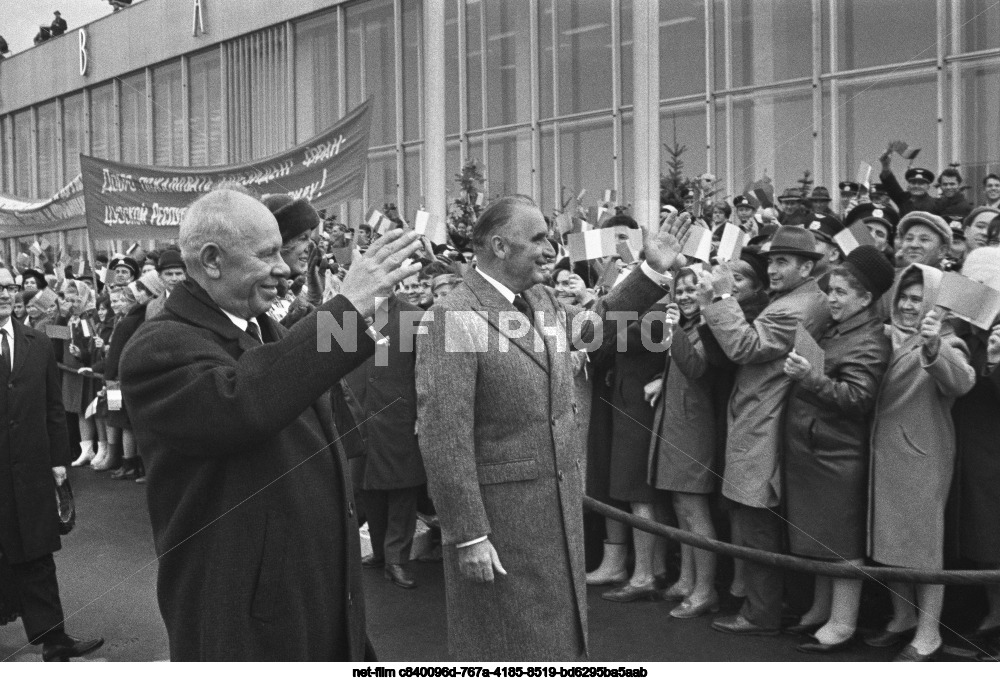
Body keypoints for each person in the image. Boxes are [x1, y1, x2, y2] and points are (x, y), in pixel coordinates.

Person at [120, 189, 422, 661]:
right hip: (245, 621)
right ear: (213, 261)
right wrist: (347, 303)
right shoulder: (159, 347)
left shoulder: (264, 329)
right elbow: (247, 402)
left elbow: (303, 369)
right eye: (268, 254)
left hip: (318, 603)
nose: (284, 268)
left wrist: (370, 303)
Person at [415, 196, 689, 661]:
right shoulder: (451, 316)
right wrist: (469, 535)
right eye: (539, 238)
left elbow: (593, 328)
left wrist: (651, 274)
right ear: (500, 246)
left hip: (556, 512)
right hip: (500, 527)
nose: (551, 249)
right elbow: (445, 437)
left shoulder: (540, 298)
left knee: (556, 644)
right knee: (507, 648)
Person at [696, 225, 831, 637]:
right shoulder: (801, 299)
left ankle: (761, 613)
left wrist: (720, 297)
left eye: (783, 261)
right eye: (771, 260)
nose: (772, 269)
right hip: (766, 419)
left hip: (763, 423)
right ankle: (768, 606)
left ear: (807, 266)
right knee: (755, 521)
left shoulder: (792, 307)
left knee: (756, 523)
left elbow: (744, 348)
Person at [781, 246, 894, 653]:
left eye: (842, 292)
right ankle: (820, 609)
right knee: (822, 539)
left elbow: (857, 399)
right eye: (831, 290)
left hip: (836, 455)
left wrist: (810, 378)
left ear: (866, 299)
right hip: (817, 450)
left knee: (842, 545)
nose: (832, 298)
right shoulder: (838, 328)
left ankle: (842, 623)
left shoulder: (869, 340)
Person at [867, 264, 975, 661]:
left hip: (922, 458)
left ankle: (928, 634)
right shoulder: (885, 336)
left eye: (917, 298)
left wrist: (934, 346)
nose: (909, 306)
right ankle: (902, 619)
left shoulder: (947, 340)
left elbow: (962, 381)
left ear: (932, 303)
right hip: (885, 454)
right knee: (891, 539)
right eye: (904, 298)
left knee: (925, 549)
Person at [0, 267, 104, 661]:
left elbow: (52, 407)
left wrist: (59, 460)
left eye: (9, 287)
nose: (6, 294)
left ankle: (54, 641)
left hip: (29, 469)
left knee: (36, 552)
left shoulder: (38, 342)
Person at [340, 293, 426, 590]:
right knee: (367, 488)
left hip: (401, 415)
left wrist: (423, 412)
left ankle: (396, 560)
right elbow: (326, 365)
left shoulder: (415, 315)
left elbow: (427, 370)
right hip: (358, 414)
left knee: (403, 489)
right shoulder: (343, 312)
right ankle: (381, 553)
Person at [648, 268, 719, 619]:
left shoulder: (708, 326)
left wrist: (673, 329)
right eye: (682, 289)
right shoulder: (687, 325)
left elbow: (695, 368)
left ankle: (705, 590)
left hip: (695, 427)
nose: (687, 295)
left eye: (694, 289)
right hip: (677, 423)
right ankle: (687, 579)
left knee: (695, 509)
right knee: (680, 505)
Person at [949, 247, 1000, 660]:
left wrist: (996, 365)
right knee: (981, 537)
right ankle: (986, 616)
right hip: (967, 448)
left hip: (993, 452)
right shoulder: (964, 328)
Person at [878, 152, 937, 217]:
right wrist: (885, 166)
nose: (916, 186)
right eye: (913, 182)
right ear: (908, 185)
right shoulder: (903, 199)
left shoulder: (936, 204)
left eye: (921, 183)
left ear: (928, 187)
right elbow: (889, 182)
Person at [145, 248, 186, 319]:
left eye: (178, 274)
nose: (174, 279)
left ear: (185, 275)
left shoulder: (198, 301)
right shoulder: (152, 306)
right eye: (169, 274)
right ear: (159, 276)